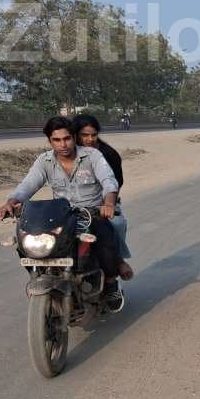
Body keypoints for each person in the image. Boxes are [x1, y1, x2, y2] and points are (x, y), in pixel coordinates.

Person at [0, 116, 123, 307]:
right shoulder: (44, 160)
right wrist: (11, 202)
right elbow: (28, 184)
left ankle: (111, 285)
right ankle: (41, 276)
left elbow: (108, 180)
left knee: (105, 237)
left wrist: (109, 203)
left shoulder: (92, 156)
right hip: (62, 215)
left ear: (73, 137)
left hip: (91, 214)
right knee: (27, 239)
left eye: (67, 138)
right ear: (49, 141)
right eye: (56, 140)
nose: (63, 144)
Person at [72, 114, 133, 280]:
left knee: (117, 223)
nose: (90, 139)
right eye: (85, 135)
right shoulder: (66, 154)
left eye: (93, 134)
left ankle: (118, 261)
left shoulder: (108, 154)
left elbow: (115, 182)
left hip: (102, 204)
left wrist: (108, 203)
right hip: (73, 207)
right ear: (75, 135)